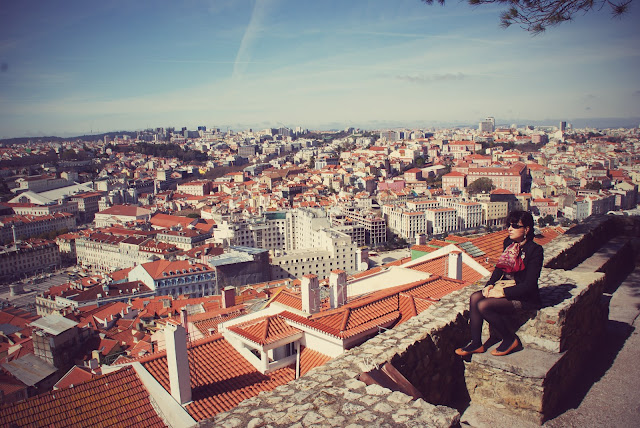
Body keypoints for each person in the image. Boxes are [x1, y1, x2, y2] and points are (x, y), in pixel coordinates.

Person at [455, 210, 543, 357]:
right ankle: (476, 343)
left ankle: (510, 339)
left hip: (524, 296)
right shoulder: (509, 243)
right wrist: (490, 284)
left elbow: (529, 285)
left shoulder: (535, 251)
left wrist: (502, 293)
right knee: (475, 297)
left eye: (515, 226)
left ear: (526, 229)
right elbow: (499, 268)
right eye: (509, 225)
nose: (509, 228)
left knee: (484, 305)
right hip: (506, 287)